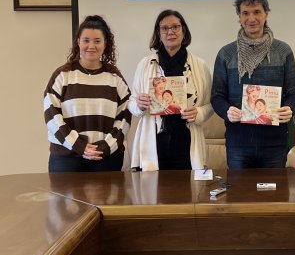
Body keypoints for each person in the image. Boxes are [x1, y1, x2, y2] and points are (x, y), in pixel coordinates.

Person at [211, 0, 295, 168]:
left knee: (274, 193)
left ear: (266, 14)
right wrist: (227, 110)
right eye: (245, 13)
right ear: (239, 16)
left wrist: (289, 108)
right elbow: (216, 95)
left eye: (257, 12)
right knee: (239, 193)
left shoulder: (283, 51)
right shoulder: (226, 54)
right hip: (238, 142)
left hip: (274, 142)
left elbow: (294, 91)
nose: (251, 18)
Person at [44, 15, 131, 172]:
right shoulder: (63, 75)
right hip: (66, 159)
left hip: (106, 159)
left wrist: (104, 148)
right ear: (78, 42)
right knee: (65, 198)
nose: (91, 46)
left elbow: (124, 116)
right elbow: (51, 115)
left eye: (97, 41)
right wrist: (79, 146)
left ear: (105, 44)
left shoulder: (115, 78)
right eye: (86, 40)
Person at [129, 9, 213, 171]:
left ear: (184, 31)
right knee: (153, 192)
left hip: (187, 140)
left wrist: (198, 113)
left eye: (175, 27)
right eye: (165, 28)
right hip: (155, 140)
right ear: (158, 34)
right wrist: (139, 104)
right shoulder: (145, 64)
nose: (170, 32)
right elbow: (132, 103)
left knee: (188, 192)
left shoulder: (200, 66)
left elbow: (210, 105)